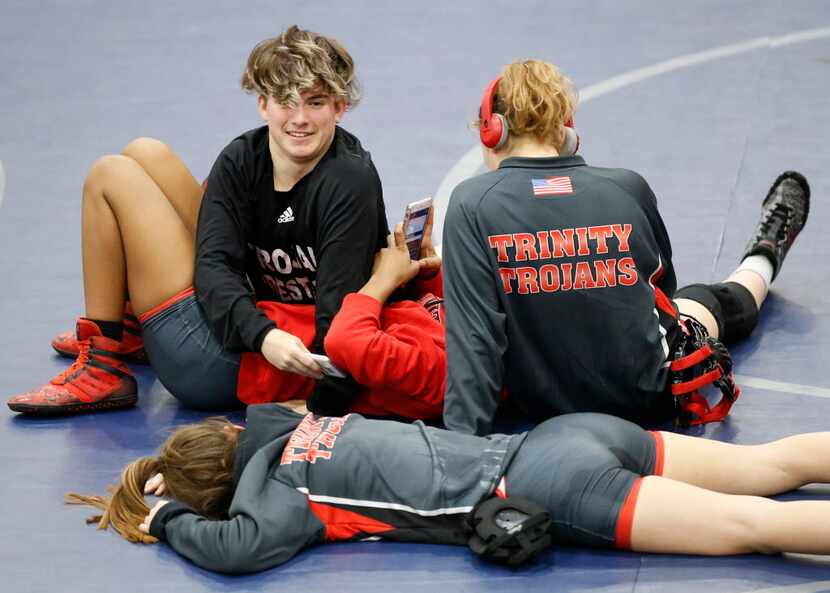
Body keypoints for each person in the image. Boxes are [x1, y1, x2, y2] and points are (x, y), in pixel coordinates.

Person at [7, 26, 390, 415]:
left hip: (228, 363)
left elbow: (341, 330)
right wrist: (261, 332)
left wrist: (313, 407)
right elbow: (214, 265)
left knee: (110, 176)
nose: (300, 119)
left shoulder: (348, 184)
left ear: (340, 107)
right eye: (285, 102)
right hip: (252, 322)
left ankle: (102, 366)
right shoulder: (243, 157)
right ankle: (128, 332)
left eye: (316, 103)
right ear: (263, 104)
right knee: (146, 152)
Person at [441, 59, 811, 435]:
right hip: (648, 401)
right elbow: (662, 297)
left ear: (493, 131)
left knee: (699, 303)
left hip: (544, 410)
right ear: (566, 131)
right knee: (700, 302)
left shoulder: (472, 204)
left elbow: (475, 342)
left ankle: (763, 253)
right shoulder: (626, 188)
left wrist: (461, 450)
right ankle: (763, 254)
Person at [67, 402, 830, 574]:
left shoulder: (276, 489)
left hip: (546, 481)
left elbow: (240, 548)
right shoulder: (290, 421)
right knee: (768, 464)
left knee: (752, 524)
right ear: (232, 434)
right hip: (562, 431)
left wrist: (165, 514)